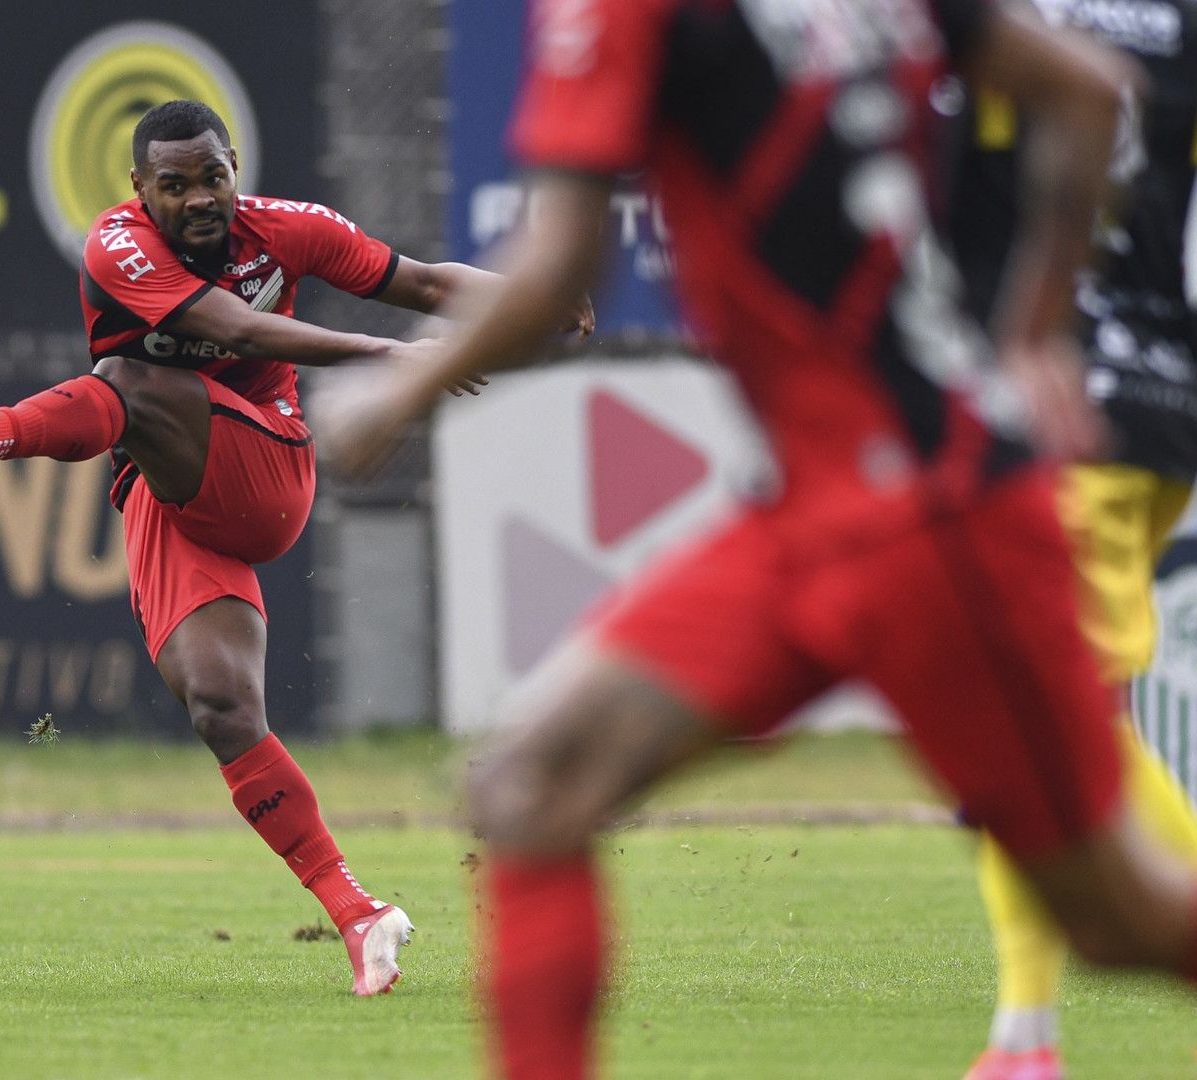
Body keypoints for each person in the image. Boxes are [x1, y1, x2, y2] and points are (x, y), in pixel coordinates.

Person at [325, 0, 1197, 1076]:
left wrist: (391, 394)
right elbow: (1088, 85)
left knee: (1123, 921)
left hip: (940, 526)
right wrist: (1032, 332)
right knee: (531, 786)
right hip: (813, 512)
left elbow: (556, 272)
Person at [0, 98, 588, 995]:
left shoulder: (283, 231)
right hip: (169, 492)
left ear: (235, 165)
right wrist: (387, 358)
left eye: (214, 176)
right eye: (175, 185)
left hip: (265, 469)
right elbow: (237, 330)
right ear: (140, 190)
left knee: (128, 380)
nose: (200, 198)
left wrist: (532, 296)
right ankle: (360, 915)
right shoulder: (117, 245)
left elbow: (428, 284)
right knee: (221, 705)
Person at [944, 3, 1197, 1075]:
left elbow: (948, 184)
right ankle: (1023, 1039)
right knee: (1028, 713)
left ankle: (1026, 1039)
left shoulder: (1003, 19)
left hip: (1052, 394)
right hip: (1165, 406)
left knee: (1050, 718)